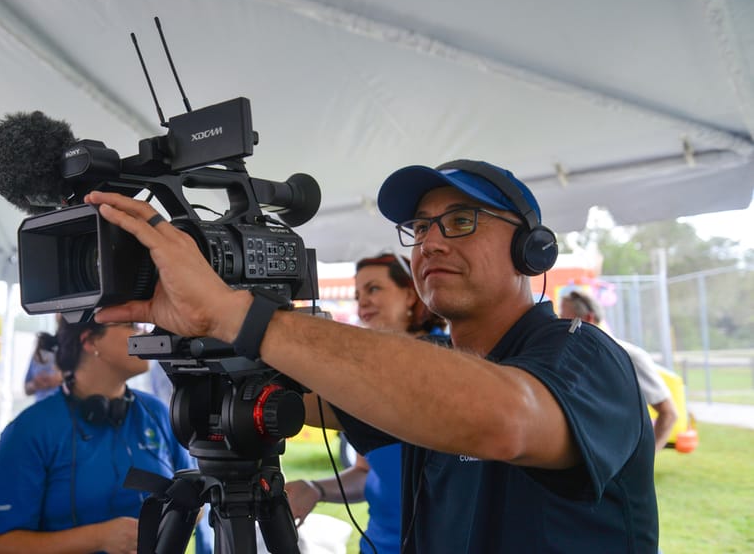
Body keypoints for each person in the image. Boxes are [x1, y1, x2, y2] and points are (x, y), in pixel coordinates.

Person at [84, 157, 658, 553]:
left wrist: (238, 312)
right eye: (420, 227)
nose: (430, 242)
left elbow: (503, 419)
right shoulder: (424, 362)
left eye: (460, 221)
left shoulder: (585, 355)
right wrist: (192, 324)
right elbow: (309, 393)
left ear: (530, 249)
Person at [0, 316, 195, 554]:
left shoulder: (157, 413)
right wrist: (98, 538)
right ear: (91, 341)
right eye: (131, 325)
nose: (145, 334)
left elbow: (191, 495)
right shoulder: (29, 432)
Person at [285, 253, 446, 554]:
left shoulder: (444, 358)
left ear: (411, 294)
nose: (363, 303)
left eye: (374, 289)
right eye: (357, 294)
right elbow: (365, 472)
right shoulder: (366, 373)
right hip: (378, 545)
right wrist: (316, 489)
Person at [559, 289, 679, 451]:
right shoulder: (570, 359)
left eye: (564, 319)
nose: (559, 326)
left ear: (588, 319)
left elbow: (669, 414)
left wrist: (647, 458)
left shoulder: (630, 357)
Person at [23, 331, 63, 401]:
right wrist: (35, 384)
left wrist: (57, 380)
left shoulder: (61, 355)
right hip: (40, 403)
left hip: (59, 402)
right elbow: (26, 389)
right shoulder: (35, 358)